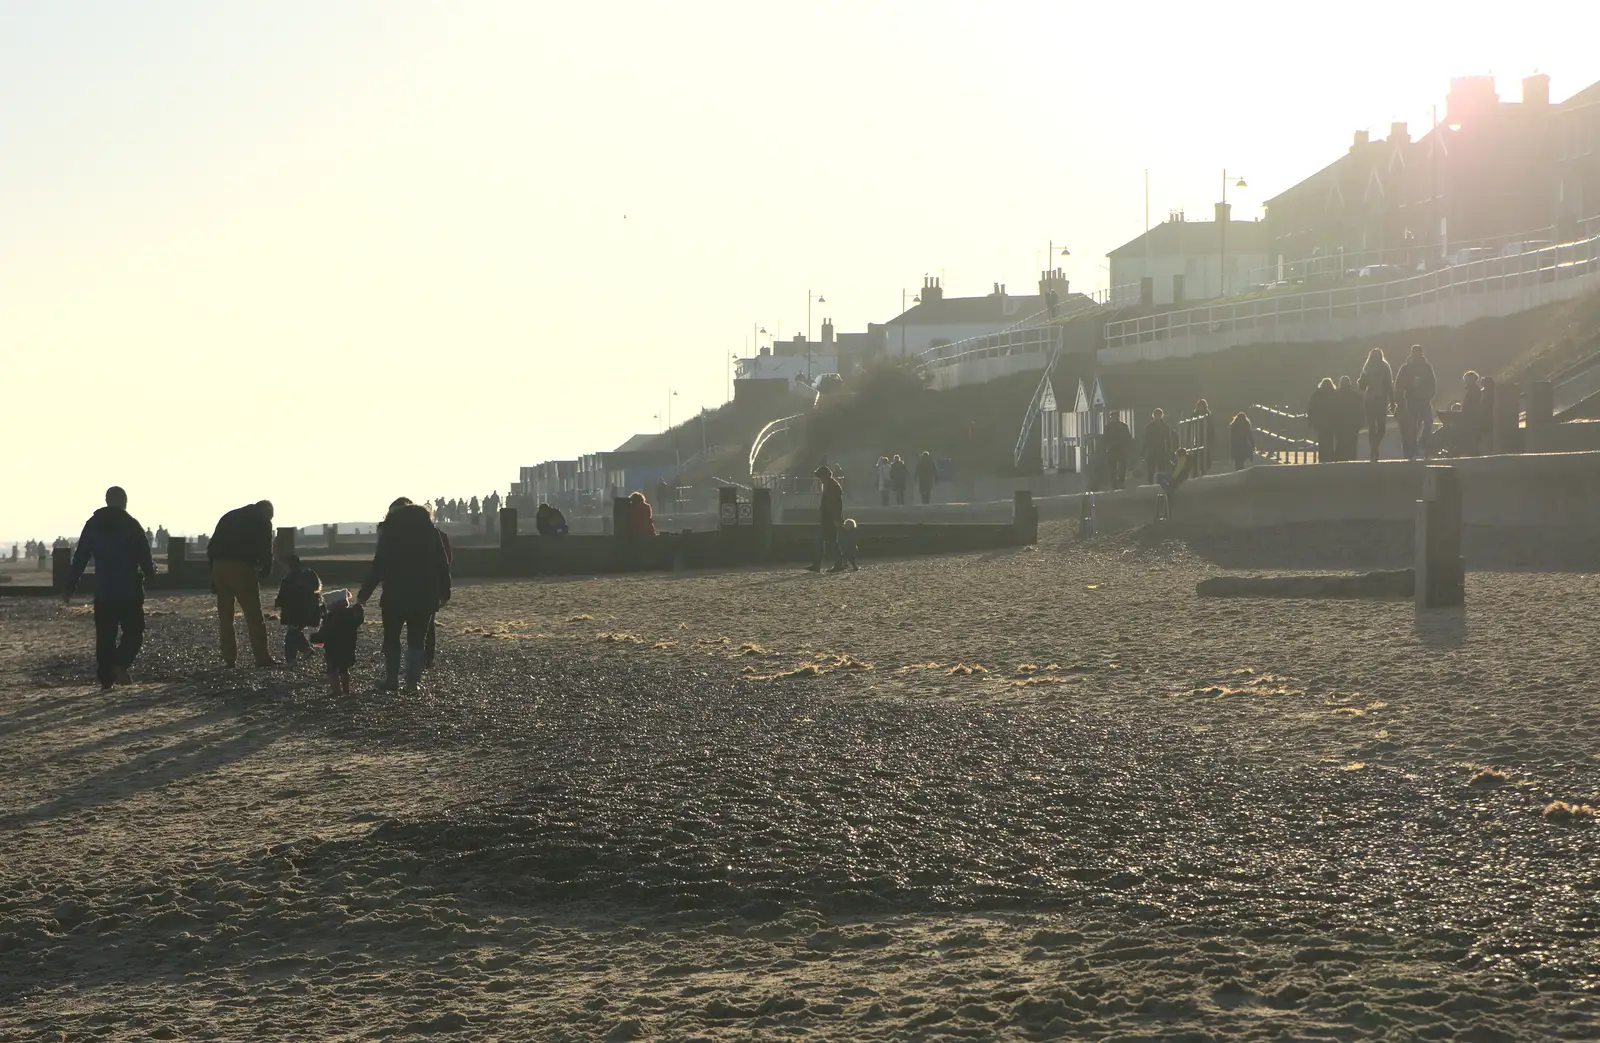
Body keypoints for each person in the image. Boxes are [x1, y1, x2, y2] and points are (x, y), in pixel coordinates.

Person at [63, 486, 156, 690]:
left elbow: (80, 558)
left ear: (106, 500)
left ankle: (106, 680)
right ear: (124, 501)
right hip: (129, 591)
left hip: (104, 591)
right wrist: (151, 573)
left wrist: (70, 586)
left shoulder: (93, 525)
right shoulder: (131, 525)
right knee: (134, 632)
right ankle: (119, 665)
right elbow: (145, 558)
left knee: (105, 637)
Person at [359, 500, 451, 692]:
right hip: (424, 596)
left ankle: (391, 680)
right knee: (417, 640)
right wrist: (445, 591)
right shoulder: (431, 532)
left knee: (391, 638)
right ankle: (412, 683)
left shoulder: (389, 533)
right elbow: (442, 564)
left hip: (395, 595)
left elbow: (378, 566)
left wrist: (363, 595)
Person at [208, 501, 276, 669]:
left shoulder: (229, 516)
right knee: (254, 615)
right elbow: (266, 549)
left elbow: (211, 548)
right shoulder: (262, 520)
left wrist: (213, 577)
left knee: (225, 617)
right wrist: (266, 571)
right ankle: (262, 657)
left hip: (218, 566)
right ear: (268, 511)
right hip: (241, 567)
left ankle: (229, 659)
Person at [310, 588, 363, 696]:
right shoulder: (351, 616)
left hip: (332, 650)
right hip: (348, 647)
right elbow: (359, 619)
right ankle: (346, 690)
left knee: (332, 671)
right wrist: (359, 608)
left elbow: (324, 635)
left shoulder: (329, 619)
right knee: (344, 670)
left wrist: (314, 638)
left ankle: (336, 690)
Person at [273, 554, 324, 665]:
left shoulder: (287, 580)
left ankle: (294, 657)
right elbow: (317, 588)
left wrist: (277, 604)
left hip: (294, 613)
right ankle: (303, 651)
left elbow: (281, 598)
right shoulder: (310, 575)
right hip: (310, 611)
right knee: (294, 632)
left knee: (292, 634)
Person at [1394, 344, 1437, 460]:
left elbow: (1433, 383)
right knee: (1413, 426)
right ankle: (1412, 450)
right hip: (1411, 400)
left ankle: (1423, 441)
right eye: (1415, 353)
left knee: (1429, 421)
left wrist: (1429, 395)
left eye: (1418, 353)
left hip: (1425, 399)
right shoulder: (1406, 368)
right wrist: (1409, 385)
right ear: (1412, 354)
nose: (1416, 355)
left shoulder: (1427, 367)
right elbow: (1398, 385)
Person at [1358, 348, 1395, 462]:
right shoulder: (1372, 367)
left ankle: (1374, 448)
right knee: (1377, 427)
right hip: (1376, 400)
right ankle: (1374, 450)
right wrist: (1392, 401)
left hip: (1376, 400)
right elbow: (1389, 385)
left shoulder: (1374, 367)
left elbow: (1388, 384)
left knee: (1375, 427)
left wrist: (1392, 401)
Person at [807, 465, 846, 573]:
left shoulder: (832, 487)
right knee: (828, 541)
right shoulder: (831, 485)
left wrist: (836, 519)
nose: (820, 480)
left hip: (829, 519)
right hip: (828, 518)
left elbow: (835, 505)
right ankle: (828, 564)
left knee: (827, 541)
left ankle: (822, 564)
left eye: (821, 477)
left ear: (825, 476)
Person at [1307, 378, 1338, 462]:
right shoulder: (1334, 394)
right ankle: (1330, 457)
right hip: (1331, 423)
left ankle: (1322, 457)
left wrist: (1311, 421)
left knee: (1322, 440)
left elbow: (1311, 409)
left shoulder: (1317, 395)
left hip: (1320, 423)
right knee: (1330, 441)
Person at [1334, 376, 1364, 461]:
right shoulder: (1355, 396)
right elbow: (1360, 410)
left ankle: (1340, 460)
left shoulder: (1336, 396)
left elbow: (1333, 410)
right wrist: (1360, 423)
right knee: (1352, 444)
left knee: (1340, 443)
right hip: (1352, 425)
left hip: (1340, 425)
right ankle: (1351, 460)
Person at [1142, 409, 1175, 485]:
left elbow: (1169, 439)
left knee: (1162, 468)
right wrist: (1143, 451)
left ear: (1161, 416)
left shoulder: (1165, 426)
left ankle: (1160, 483)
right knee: (1151, 468)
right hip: (1152, 449)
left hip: (1161, 449)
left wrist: (1169, 451)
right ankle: (1150, 483)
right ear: (1154, 416)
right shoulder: (1149, 427)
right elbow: (1146, 439)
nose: (1158, 417)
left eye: (1159, 415)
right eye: (1156, 415)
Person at [1458, 371, 1487, 457]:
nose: (1466, 382)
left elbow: (1473, 407)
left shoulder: (1474, 392)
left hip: (1472, 421)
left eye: (1467, 380)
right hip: (1470, 420)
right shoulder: (1473, 391)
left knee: (1471, 439)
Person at [1104, 413, 1134, 490]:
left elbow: (1128, 437)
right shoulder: (1108, 427)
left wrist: (1127, 446)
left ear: (1118, 417)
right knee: (1112, 468)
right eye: (1113, 417)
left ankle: (1121, 482)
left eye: (1115, 417)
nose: (1114, 418)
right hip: (1112, 449)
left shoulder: (1123, 426)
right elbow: (1105, 438)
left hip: (1121, 448)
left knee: (1123, 467)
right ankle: (1114, 484)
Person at [1189, 400, 1215, 476]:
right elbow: (1190, 427)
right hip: (1197, 438)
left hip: (1206, 438)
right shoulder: (1194, 415)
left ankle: (1204, 471)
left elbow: (1211, 428)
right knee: (1196, 456)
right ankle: (1196, 472)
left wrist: (1212, 439)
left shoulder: (1208, 415)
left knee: (1206, 456)